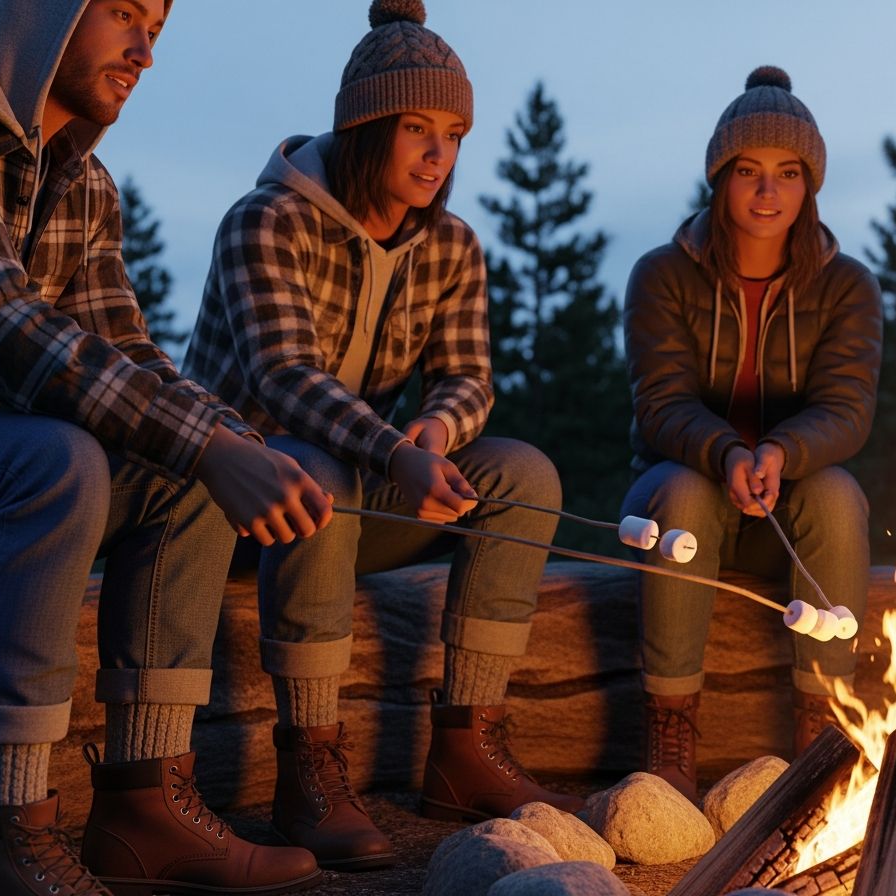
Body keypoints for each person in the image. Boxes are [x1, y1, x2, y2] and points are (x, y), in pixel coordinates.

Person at [0, 2, 334, 893]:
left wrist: (238, 443)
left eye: (158, 25)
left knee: (179, 465)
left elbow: (127, 351)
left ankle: (144, 808)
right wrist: (208, 441)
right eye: (124, 11)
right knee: (53, 458)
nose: (147, 50)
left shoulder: (80, 182)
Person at [185, 0, 584, 871]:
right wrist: (396, 452)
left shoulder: (451, 246)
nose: (440, 155)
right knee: (316, 466)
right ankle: (310, 766)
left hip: (365, 493)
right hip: (237, 506)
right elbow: (280, 378)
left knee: (521, 474)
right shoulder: (266, 221)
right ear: (365, 128)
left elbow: (469, 374)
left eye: (453, 133)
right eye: (416, 128)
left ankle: (465, 744)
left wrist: (437, 430)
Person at [619, 67, 883, 801]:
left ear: (810, 185)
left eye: (788, 174)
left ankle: (825, 730)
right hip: (678, 505)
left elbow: (848, 408)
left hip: (789, 514)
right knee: (685, 488)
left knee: (836, 492)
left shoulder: (845, 285)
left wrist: (778, 452)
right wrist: (729, 451)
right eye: (748, 172)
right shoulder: (663, 275)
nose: (767, 193)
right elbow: (660, 404)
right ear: (720, 179)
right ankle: (670, 727)